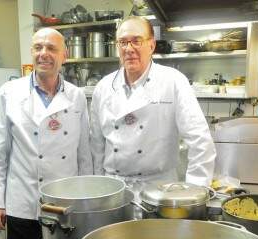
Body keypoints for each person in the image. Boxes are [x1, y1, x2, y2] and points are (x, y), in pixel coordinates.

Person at [0, 28, 92, 239]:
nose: (44, 53)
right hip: (23, 201)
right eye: (38, 47)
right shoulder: (9, 92)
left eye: (52, 48)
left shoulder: (76, 96)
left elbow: (84, 153)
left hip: (65, 203)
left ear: (65, 55)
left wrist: (86, 200)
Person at [90, 16, 216, 194]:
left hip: (160, 190)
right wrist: (98, 188)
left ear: (151, 45)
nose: (129, 49)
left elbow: (200, 140)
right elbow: (96, 146)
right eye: (123, 42)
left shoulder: (173, 81)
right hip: (114, 189)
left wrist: (196, 192)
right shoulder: (103, 87)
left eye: (136, 41)